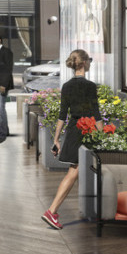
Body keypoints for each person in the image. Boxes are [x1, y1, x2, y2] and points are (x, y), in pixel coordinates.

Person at [42, 50, 100, 230]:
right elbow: (96, 114)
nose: (90, 63)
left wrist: (57, 139)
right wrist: (103, 137)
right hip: (86, 130)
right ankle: (51, 211)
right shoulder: (90, 86)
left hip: (73, 131)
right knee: (74, 171)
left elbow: (62, 116)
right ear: (83, 63)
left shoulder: (66, 86)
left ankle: (55, 211)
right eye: (89, 60)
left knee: (76, 170)